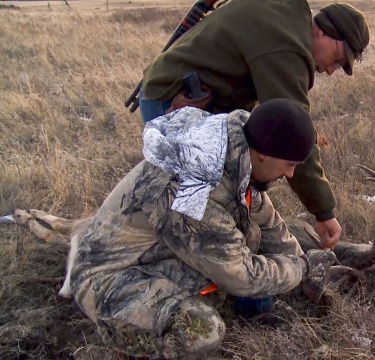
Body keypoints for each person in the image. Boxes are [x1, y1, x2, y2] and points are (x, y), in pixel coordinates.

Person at [69, 99, 338, 358]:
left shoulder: (237, 149)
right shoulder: (196, 189)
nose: (290, 174)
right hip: (109, 280)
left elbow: (266, 221)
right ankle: (130, 336)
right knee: (200, 331)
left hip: (154, 258)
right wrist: (301, 269)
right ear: (264, 154)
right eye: (289, 165)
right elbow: (242, 276)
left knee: (250, 235)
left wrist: (301, 259)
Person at [138, 0, 370, 250]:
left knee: (220, 189)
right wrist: (323, 210)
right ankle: (187, 260)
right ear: (323, 31)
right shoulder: (285, 44)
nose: (331, 70)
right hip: (174, 102)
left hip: (199, 101)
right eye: (336, 59)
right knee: (194, 204)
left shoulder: (285, 13)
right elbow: (291, 132)